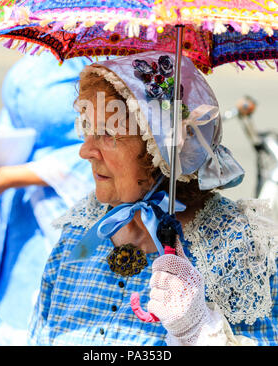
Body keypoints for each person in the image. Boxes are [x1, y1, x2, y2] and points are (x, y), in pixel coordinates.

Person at [0, 0, 146, 346]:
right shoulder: (54, 8)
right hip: (20, 223)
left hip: (75, 229)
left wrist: (16, 173)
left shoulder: (115, 24)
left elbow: (131, 145)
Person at [29, 51, 278, 346]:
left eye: (109, 135)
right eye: (86, 128)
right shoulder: (82, 230)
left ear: (162, 150)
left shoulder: (234, 248)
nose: (85, 151)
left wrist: (195, 331)